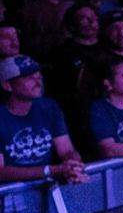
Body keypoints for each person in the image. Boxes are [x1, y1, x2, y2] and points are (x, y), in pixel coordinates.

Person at [0, 55, 89, 184]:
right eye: (30, 78)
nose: (38, 82)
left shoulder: (49, 106)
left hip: (44, 187)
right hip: (10, 194)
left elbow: (66, 150)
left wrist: (73, 165)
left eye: (39, 76)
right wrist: (50, 170)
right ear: (7, 85)